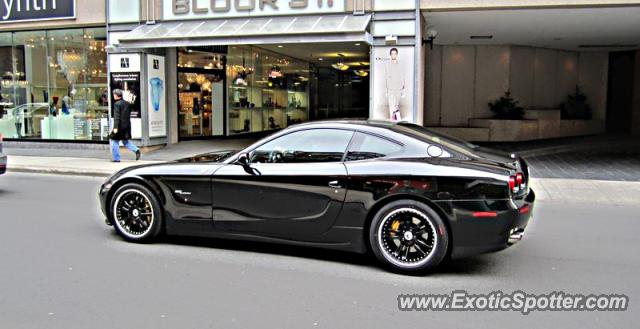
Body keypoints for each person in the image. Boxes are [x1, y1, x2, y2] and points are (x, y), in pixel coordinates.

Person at [110, 89, 140, 162]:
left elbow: (117, 117)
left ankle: (116, 158)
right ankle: (136, 150)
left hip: (119, 126)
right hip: (127, 125)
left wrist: (115, 127)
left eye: (114, 94)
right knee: (125, 141)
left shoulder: (117, 104)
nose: (113, 96)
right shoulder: (127, 103)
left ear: (117, 95)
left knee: (115, 141)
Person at [384, 47, 406, 121]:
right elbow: (386, 77)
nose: (393, 55)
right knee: (391, 104)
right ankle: (393, 119)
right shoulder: (387, 65)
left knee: (396, 105)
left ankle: (396, 119)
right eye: (392, 54)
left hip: (399, 88)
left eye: (395, 54)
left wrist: (403, 89)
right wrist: (386, 90)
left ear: (397, 55)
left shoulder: (400, 65)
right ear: (390, 55)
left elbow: (402, 77)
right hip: (390, 88)